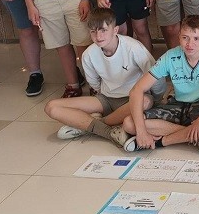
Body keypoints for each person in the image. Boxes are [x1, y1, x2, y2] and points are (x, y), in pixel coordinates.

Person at [44, 8, 165, 146]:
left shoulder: (133, 47)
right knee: (51, 107)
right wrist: (104, 96)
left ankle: (91, 124)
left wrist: (157, 100)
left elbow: (156, 76)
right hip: (106, 99)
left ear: (115, 30)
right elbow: (94, 83)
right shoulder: (88, 54)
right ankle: (108, 131)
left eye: (103, 30)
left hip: (134, 99)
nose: (98, 36)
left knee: (145, 101)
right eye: (93, 31)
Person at [122, 15, 199, 153]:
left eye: (196, 39)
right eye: (185, 38)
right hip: (178, 104)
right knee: (129, 124)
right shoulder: (170, 56)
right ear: (179, 36)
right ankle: (196, 135)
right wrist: (141, 132)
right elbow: (137, 90)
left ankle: (161, 142)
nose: (190, 44)